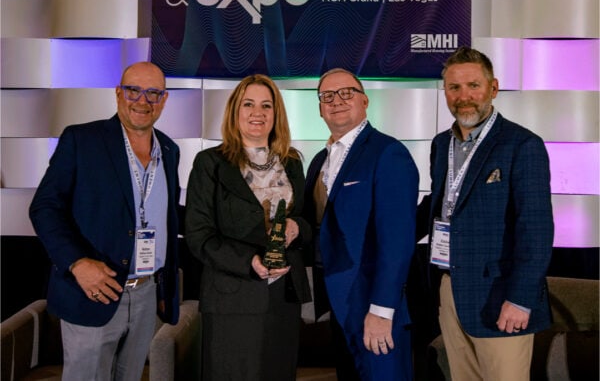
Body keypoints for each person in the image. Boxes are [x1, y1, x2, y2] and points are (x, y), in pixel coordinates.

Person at [29, 61, 181, 381]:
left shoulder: (169, 149)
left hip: (145, 292)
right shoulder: (82, 140)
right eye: (133, 91)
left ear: (164, 100)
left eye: (153, 93)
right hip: (93, 291)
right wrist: (77, 263)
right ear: (118, 93)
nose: (143, 101)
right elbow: (44, 207)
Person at [417, 46, 554, 380]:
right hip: (451, 288)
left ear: (493, 88)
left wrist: (521, 299)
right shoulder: (440, 144)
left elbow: (535, 229)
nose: (464, 96)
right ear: (445, 91)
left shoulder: (522, 145)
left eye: (473, 86)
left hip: (502, 294)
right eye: (454, 87)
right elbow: (440, 205)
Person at [184, 74, 312, 381]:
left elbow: (309, 223)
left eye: (267, 105)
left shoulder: (292, 162)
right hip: (232, 298)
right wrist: (249, 262)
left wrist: (296, 227)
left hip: (283, 299)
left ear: (276, 113)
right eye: (249, 104)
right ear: (234, 111)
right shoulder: (210, 163)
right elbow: (198, 235)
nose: (258, 112)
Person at [304, 67, 420, 380]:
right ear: (319, 108)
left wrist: (382, 310)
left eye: (346, 93)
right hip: (338, 307)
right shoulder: (319, 160)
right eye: (327, 96)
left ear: (365, 101)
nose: (337, 101)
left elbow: (397, 241)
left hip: (374, 307)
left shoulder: (388, 153)